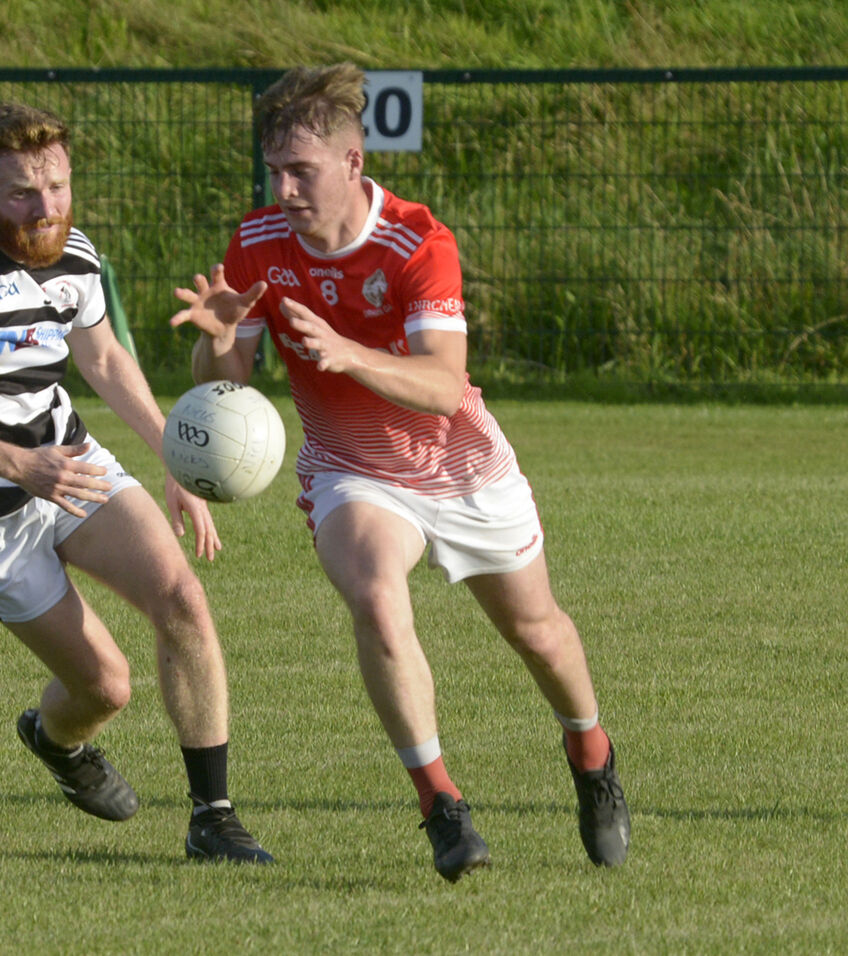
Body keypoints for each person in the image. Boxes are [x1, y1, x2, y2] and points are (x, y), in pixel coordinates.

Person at [170, 64, 628, 880]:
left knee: (537, 633)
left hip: (460, 465)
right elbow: (227, 382)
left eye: (300, 171)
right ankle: (440, 804)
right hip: (353, 472)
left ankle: (591, 755)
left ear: (352, 164)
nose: (283, 188)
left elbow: (444, 384)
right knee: (378, 601)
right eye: (273, 170)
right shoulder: (258, 242)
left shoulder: (417, 242)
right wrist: (216, 338)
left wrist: (347, 354)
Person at [0, 101, 271, 864]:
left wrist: (175, 457)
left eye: (57, 185)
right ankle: (55, 740)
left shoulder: (75, 252)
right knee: (106, 689)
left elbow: (106, 361)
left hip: (68, 463)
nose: (46, 206)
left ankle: (213, 818)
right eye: (23, 192)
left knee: (182, 598)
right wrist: (22, 466)